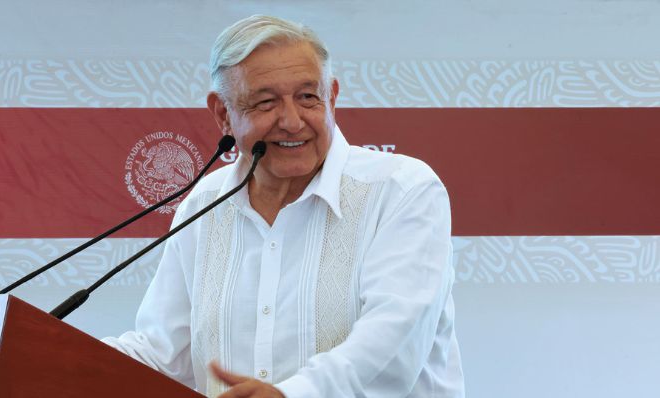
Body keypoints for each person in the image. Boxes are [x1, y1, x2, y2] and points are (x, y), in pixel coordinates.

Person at [103, 15, 464, 398]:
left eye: (308, 97)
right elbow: (163, 355)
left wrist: (291, 394)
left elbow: (393, 347)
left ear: (333, 98)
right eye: (265, 102)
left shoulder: (401, 191)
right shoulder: (204, 205)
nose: (292, 122)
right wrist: (50, 350)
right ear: (223, 114)